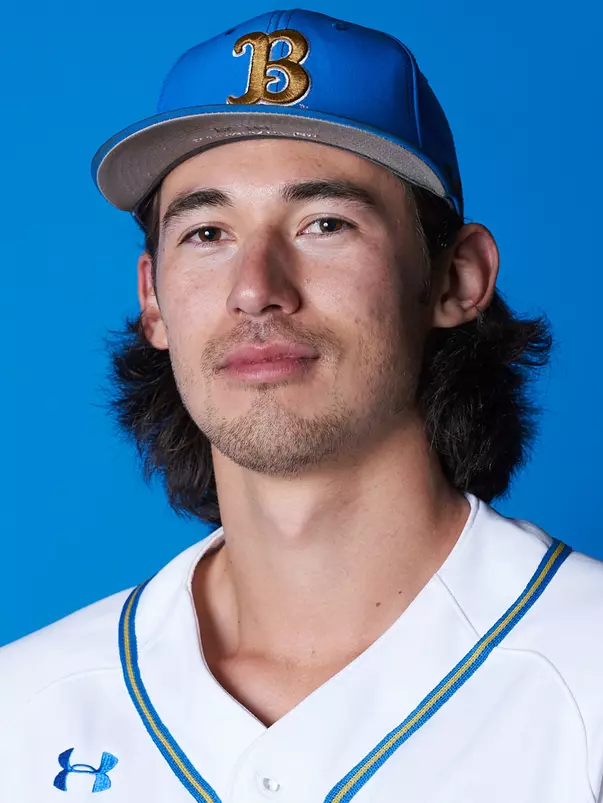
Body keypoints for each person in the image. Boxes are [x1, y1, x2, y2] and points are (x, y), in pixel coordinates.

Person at [1, 8, 602, 802]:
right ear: (152, 301)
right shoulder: (26, 707)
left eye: (325, 222)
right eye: (207, 232)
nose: (255, 289)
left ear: (456, 278)